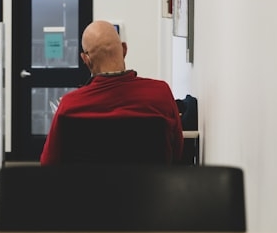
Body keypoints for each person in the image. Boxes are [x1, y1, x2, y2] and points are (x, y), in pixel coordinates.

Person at [39, 20, 184, 165]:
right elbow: (177, 152)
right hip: (153, 187)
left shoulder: (69, 106)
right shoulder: (160, 94)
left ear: (86, 59)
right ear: (124, 49)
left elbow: (48, 164)